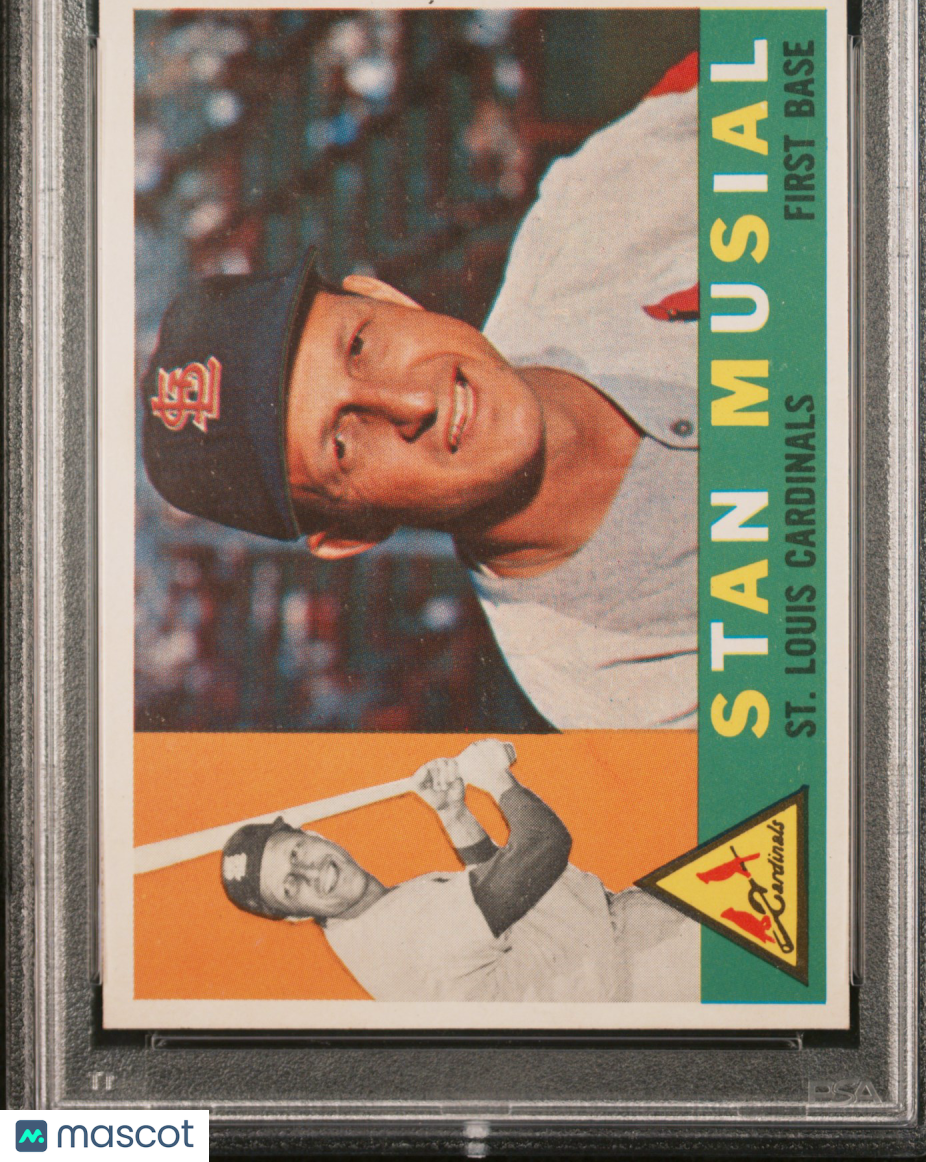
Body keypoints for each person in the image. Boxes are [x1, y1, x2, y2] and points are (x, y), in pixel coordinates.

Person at [142, 51, 699, 729]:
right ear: (352, 532)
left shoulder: (595, 211)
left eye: (360, 345)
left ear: (385, 296)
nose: (413, 404)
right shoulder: (625, 699)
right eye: (342, 445)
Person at [220, 739, 699, 1002]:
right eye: (291, 887)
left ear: (314, 836)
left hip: (629, 937)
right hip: (648, 973)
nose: (311, 872)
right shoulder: (399, 937)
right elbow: (543, 848)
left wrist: (454, 814)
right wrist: (496, 778)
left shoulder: (365, 923)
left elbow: (498, 905)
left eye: (298, 853)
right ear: (295, 915)